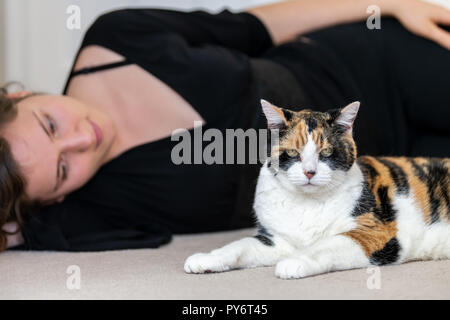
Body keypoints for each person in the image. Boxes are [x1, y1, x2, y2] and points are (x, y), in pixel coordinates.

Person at [1, 0, 450, 251]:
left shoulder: (116, 39)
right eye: (62, 169)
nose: (83, 139)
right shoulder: (94, 209)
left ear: (18, 96)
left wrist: (385, 3)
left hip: (368, 67)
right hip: (391, 174)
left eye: (50, 124)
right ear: (56, 198)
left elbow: (256, 27)